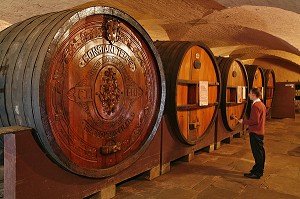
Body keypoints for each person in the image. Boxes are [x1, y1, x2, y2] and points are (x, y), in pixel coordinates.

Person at [238, 87, 266, 179]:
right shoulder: (262, 104)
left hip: (255, 132)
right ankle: (257, 169)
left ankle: (257, 173)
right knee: (260, 152)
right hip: (260, 131)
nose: (248, 95)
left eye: (250, 93)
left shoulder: (256, 106)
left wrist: (244, 121)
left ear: (254, 95)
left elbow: (255, 121)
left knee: (257, 153)